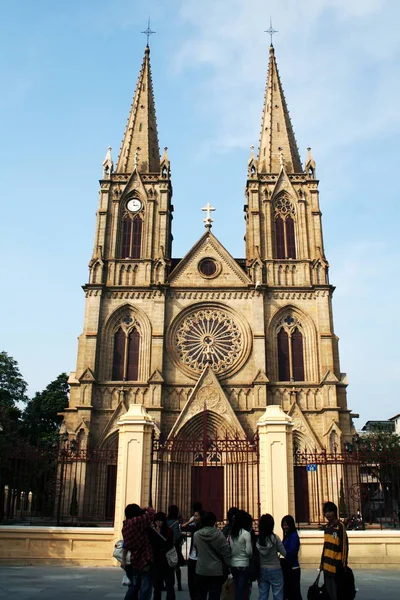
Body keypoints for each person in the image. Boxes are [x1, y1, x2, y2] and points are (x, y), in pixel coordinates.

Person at [194, 511, 231, 600]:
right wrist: (228, 564)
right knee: (214, 595)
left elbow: (197, 550)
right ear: (214, 522)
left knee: (201, 595)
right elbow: (226, 552)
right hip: (216, 571)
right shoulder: (220, 535)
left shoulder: (196, 535)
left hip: (201, 569)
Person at [121, 504, 155, 600]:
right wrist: (146, 508)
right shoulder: (136, 522)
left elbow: (126, 545)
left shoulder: (125, 527)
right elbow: (152, 514)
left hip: (135, 560)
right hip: (145, 558)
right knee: (146, 588)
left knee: (135, 586)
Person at [320, 501, 348, 600]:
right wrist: (322, 562)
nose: (328, 514)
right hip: (327, 565)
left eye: (330, 511)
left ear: (334, 512)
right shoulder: (327, 527)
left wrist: (343, 565)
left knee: (337, 593)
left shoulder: (340, 527)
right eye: (326, 512)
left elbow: (344, 546)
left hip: (336, 566)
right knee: (328, 593)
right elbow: (325, 545)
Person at [256, 513, 286, 600]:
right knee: (278, 595)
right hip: (275, 569)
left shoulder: (257, 539)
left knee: (262, 595)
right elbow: (284, 553)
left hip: (262, 569)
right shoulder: (275, 538)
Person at [149, 511, 176, 600]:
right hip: (156, 561)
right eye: (156, 521)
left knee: (169, 585)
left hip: (167, 561)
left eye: (160, 521)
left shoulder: (168, 531)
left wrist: (159, 534)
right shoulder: (152, 531)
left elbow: (169, 544)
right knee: (157, 586)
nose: (158, 523)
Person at [181, 508, 204, 600]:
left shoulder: (204, 528)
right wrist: (191, 521)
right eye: (194, 516)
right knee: (191, 582)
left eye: (196, 516)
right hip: (192, 558)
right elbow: (182, 527)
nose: (194, 517)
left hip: (201, 559)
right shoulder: (193, 527)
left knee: (199, 582)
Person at [229, 509, 252, 599]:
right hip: (243, 564)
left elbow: (231, 549)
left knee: (235, 589)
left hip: (233, 564)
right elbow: (249, 552)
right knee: (241, 590)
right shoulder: (246, 534)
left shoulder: (232, 533)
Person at [280, 515, 302, 600]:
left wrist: (283, 553)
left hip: (293, 568)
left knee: (295, 593)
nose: (285, 527)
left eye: (286, 525)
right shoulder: (287, 536)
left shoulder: (293, 536)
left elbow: (292, 552)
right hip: (288, 567)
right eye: (283, 525)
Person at [167, 505, 184, 591]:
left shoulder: (165, 521)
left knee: (168, 567)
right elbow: (177, 534)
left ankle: (169, 584)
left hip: (166, 547)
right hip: (175, 546)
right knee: (176, 566)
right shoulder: (176, 522)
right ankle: (179, 584)